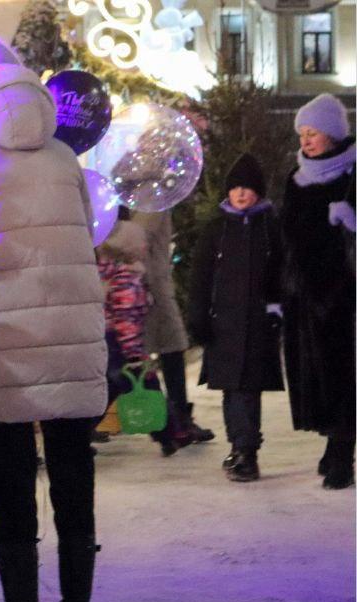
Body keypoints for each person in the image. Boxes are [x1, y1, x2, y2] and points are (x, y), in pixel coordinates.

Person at [0, 37, 107, 602]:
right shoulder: (65, 156)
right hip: (75, 339)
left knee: (11, 480)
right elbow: (86, 229)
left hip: (6, 341)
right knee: (74, 477)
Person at [188, 154, 285, 483]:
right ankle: (239, 447)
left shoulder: (270, 228)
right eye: (236, 187)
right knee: (232, 388)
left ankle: (246, 451)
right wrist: (199, 316)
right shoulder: (217, 229)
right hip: (223, 324)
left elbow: (282, 273)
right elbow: (201, 277)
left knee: (247, 387)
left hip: (257, 322)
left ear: (258, 192)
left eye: (248, 188)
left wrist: (277, 307)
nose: (241, 193)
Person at [280, 93, 356, 490]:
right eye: (303, 133)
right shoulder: (296, 178)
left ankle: (343, 452)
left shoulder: (352, 176)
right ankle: (333, 441)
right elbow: (285, 238)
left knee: (346, 373)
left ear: (333, 134)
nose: (307, 141)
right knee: (317, 376)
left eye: (314, 133)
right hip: (305, 297)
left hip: (346, 294)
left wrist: (352, 221)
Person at [98, 216, 188, 455]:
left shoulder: (108, 274)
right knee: (147, 387)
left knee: (109, 388)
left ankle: (79, 433)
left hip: (108, 341)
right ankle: (168, 433)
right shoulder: (126, 278)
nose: (145, 247)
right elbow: (126, 318)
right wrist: (135, 355)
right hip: (123, 346)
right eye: (140, 244)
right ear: (130, 248)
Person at [135, 210, 216, 443]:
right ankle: (174, 422)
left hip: (147, 285)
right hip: (148, 288)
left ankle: (174, 421)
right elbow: (139, 239)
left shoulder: (138, 197)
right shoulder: (150, 198)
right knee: (166, 348)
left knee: (156, 351)